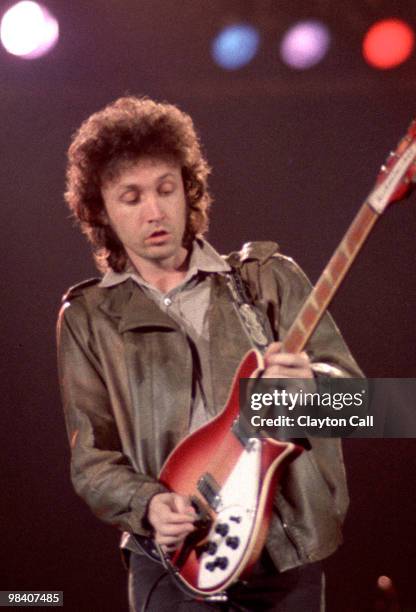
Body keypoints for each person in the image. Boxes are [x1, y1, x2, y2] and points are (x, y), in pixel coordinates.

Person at [57, 96, 363, 611]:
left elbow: (358, 403)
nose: (154, 210)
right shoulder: (88, 318)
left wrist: (311, 388)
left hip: (284, 554)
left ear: (188, 189)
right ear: (101, 211)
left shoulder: (267, 279)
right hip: (173, 559)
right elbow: (91, 461)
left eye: (166, 189)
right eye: (130, 197)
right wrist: (148, 503)